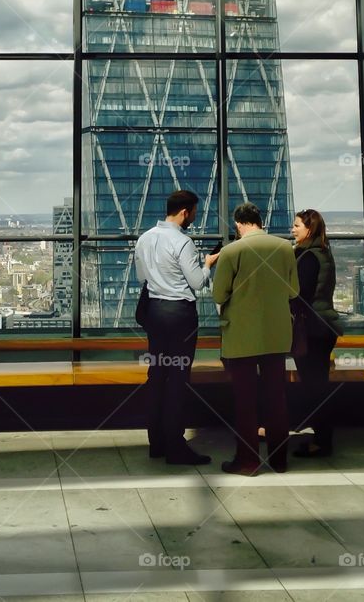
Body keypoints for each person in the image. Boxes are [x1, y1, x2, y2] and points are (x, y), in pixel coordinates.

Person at [213, 201, 298, 475]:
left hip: (241, 335)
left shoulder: (231, 251)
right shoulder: (285, 248)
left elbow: (218, 295)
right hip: (276, 334)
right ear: (259, 220)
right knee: (276, 397)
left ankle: (247, 461)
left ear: (238, 224)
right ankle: (280, 459)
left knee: (245, 401)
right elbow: (293, 291)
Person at [135, 189, 219, 465]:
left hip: (155, 313)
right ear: (185, 212)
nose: (195, 216)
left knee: (157, 376)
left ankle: (156, 443)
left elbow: (141, 276)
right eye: (194, 212)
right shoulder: (183, 242)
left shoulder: (145, 238)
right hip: (179, 314)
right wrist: (207, 265)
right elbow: (196, 283)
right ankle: (175, 446)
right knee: (178, 380)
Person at [290, 209, 342, 458]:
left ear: (309, 230)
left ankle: (322, 442)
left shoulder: (308, 257)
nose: (293, 229)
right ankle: (322, 439)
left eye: (297, 225)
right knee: (317, 384)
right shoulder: (322, 253)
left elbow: (300, 295)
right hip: (323, 326)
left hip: (312, 329)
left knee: (315, 386)